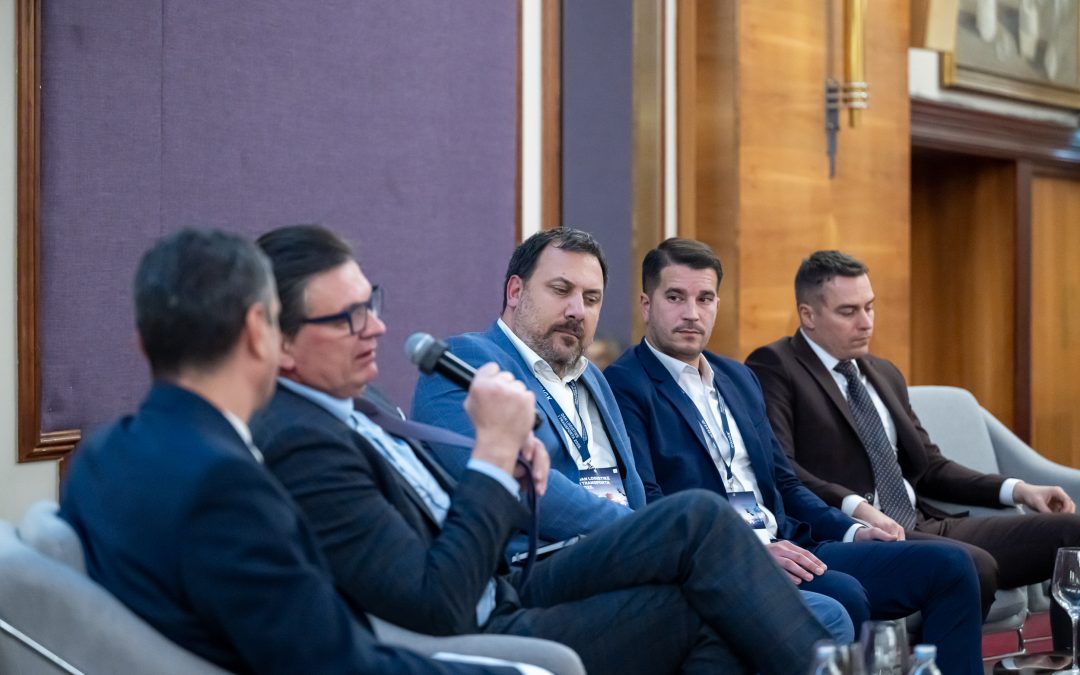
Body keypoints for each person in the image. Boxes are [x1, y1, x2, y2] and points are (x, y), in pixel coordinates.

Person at [247, 224, 837, 674]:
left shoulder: (361, 409)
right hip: (514, 580)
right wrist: (499, 458)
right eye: (350, 317)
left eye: (591, 297)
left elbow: (633, 482)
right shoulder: (324, 430)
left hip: (538, 572)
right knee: (699, 522)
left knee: (713, 615)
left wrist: (647, 538)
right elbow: (436, 591)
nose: (377, 327)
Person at [59, 229, 523, 675]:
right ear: (259, 330)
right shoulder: (229, 489)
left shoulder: (100, 454)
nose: (375, 327)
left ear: (141, 342)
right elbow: (336, 664)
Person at [411, 227, 853, 642]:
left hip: (630, 563)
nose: (576, 311)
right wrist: (649, 533)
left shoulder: (593, 379)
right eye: (561, 290)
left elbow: (634, 491)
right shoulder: (470, 363)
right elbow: (520, 488)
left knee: (825, 613)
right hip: (538, 569)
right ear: (515, 291)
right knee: (708, 526)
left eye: (591, 298)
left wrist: (651, 540)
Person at [604, 238, 986, 675]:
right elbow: (651, 503)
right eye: (675, 297)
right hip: (726, 560)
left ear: (717, 304)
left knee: (953, 567)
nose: (692, 312)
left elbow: (784, 482)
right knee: (844, 594)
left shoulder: (736, 377)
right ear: (646, 305)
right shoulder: (625, 384)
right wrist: (747, 552)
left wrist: (851, 530)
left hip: (795, 543)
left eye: (704, 298)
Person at [745, 248, 1080, 648]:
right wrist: (856, 507)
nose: (866, 322)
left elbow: (931, 467)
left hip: (924, 522)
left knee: (1071, 532)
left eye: (870, 307)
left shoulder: (883, 372)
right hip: (863, 532)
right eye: (848, 311)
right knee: (971, 565)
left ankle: (1070, 659)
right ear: (808, 315)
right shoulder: (774, 366)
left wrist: (1019, 490)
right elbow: (783, 469)